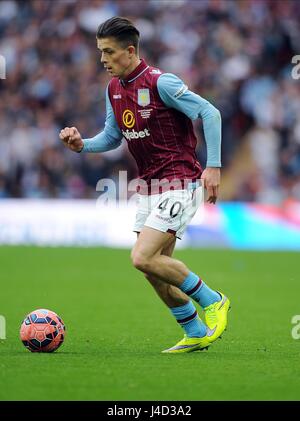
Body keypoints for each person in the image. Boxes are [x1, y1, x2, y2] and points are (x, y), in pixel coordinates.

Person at [59, 16, 230, 354]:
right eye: (100, 53)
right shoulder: (112, 89)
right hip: (149, 187)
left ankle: (215, 301)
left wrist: (214, 166)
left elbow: (210, 113)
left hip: (181, 181)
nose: (104, 60)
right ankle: (194, 330)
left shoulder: (160, 83)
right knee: (154, 270)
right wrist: (82, 145)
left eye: (109, 52)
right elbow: (112, 136)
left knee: (142, 257)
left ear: (131, 50)